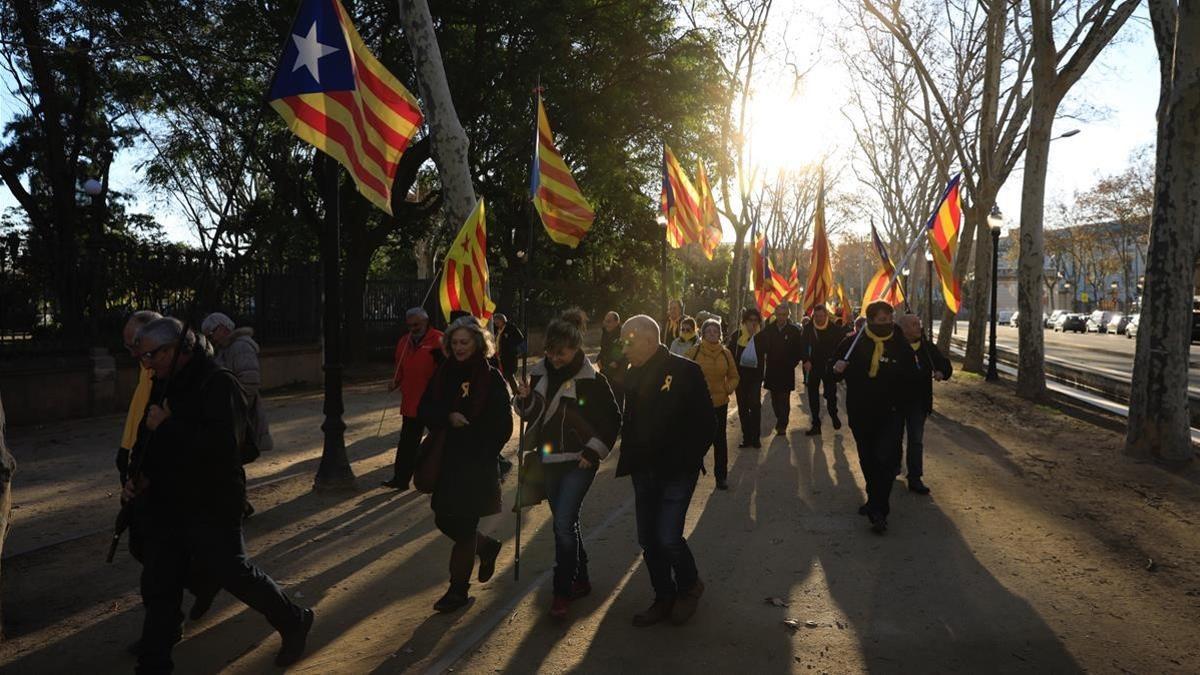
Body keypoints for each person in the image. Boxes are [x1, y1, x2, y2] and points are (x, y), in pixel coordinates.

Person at [127, 318, 313, 673]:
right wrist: (137, 474)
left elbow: (224, 450)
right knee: (160, 582)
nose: (146, 363)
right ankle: (154, 664)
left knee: (234, 572)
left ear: (177, 349)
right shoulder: (162, 383)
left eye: (151, 354)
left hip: (211, 501)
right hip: (167, 501)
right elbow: (146, 437)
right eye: (142, 356)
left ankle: (293, 620)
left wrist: (170, 424)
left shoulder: (218, 383)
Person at [514, 310, 621, 619]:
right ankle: (582, 578)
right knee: (567, 523)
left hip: (579, 462)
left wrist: (593, 451)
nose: (554, 357)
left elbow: (613, 419)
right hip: (547, 459)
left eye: (560, 352)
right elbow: (532, 417)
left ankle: (562, 592)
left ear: (575, 348)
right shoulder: (538, 373)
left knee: (562, 524)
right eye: (550, 351)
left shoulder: (594, 380)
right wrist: (524, 400)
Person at [618, 315, 714, 627]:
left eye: (627, 341)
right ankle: (664, 596)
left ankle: (689, 586)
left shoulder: (686, 370)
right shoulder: (631, 374)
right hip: (643, 470)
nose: (623, 348)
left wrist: (687, 460)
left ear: (648, 340)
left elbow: (706, 424)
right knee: (648, 539)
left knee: (668, 536)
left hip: (677, 471)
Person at [418, 317, 513, 613]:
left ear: (478, 343)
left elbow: (504, 425)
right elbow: (425, 409)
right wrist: (448, 417)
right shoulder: (443, 373)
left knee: (466, 523)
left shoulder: (491, 377)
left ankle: (458, 591)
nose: (459, 348)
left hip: (476, 462)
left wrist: (483, 448)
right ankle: (486, 546)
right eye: (455, 342)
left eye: (465, 342)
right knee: (444, 519)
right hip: (447, 459)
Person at [831, 301, 913, 534]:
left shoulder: (899, 344)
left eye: (889, 319)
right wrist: (837, 368)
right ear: (870, 321)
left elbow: (911, 376)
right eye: (880, 320)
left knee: (885, 459)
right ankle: (873, 498)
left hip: (891, 414)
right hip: (861, 411)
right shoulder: (853, 343)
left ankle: (880, 510)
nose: (886, 324)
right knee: (868, 459)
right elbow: (833, 371)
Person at [201, 312, 274, 518]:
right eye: (207, 334)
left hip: (239, 416)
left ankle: (237, 504)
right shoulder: (226, 349)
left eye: (212, 332)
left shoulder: (240, 347)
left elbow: (249, 382)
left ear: (224, 327)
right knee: (230, 462)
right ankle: (238, 503)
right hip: (234, 414)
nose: (211, 337)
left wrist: (235, 410)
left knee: (231, 462)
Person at [384, 308, 444, 490]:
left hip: (433, 402)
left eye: (416, 324)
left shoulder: (439, 340)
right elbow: (400, 367)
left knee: (439, 442)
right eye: (409, 325)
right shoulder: (404, 341)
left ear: (426, 322)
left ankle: (441, 478)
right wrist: (395, 381)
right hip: (411, 402)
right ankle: (400, 479)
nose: (412, 328)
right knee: (407, 444)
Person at [895, 313, 952, 496]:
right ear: (903, 328)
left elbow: (945, 365)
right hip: (895, 402)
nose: (918, 327)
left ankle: (915, 477)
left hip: (918, 403)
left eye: (918, 324)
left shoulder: (927, 348)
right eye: (913, 324)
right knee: (894, 438)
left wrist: (942, 372)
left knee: (916, 440)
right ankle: (893, 468)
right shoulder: (894, 347)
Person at [685, 319, 739, 489]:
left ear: (720, 334)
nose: (712, 334)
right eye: (708, 332)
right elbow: (684, 375)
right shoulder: (694, 352)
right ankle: (691, 473)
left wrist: (727, 389)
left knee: (720, 441)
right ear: (703, 334)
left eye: (715, 332)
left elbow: (734, 376)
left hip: (720, 403)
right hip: (699, 405)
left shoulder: (726, 353)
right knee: (697, 440)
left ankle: (721, 476)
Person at [118, 310, 162, 488]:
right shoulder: (146, 364)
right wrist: (125, 446)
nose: (132, 354)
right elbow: (139, 406)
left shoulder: (163, 369)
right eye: (128, 347)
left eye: (134, 346)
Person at [799, 305, 850, 436]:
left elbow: (842, 347)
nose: (819, 319)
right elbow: (803, 346)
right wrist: (805, 360)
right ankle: (816, 423)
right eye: (816, 316)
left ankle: (833, 414)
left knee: (830, 394)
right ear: (813, 316)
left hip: (829, 366)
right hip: (813, 366)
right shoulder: (808, 328)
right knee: (813, 395)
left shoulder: (834, 329)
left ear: (826, 315)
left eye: (821, 316)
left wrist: (839, 362)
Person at [757, 302, 803, 435]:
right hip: (772, 370)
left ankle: (782, 424)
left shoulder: (794, 330)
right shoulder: (769, 329)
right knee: (775, 399)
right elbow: (763, 346)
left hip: (786, 371)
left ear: (787, 315)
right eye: (779, 314)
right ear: (775, 314)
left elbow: (798, 350)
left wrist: (792, 363)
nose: (781, 317)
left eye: (784, 315)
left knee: (784, 398)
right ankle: (779, 417)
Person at [726, 308, 764, 449]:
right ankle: (746, 437)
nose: (753, 324)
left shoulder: (762, 337)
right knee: (742, 407)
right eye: (750, 321)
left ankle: (756, 437)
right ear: (744, 321)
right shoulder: (737, 336)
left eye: (755, 321)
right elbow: (729, 354)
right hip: (740, 378)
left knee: (754, 405)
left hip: (755, 378)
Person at [596, 311, 628, 408]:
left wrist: (616, 362)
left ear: (616, 322)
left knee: (617, 399)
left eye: (609, 321)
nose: (606, 324)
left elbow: (624, 353)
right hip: (605, 370)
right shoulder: (605, 332)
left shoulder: (623, 334)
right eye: (605, 321)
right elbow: (603, 349)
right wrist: (599, 359)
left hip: (618, 374)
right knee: (605, 398)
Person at [492, 313, 525, 390]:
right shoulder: (498, 330)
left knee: (509, 375)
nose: (495, 323)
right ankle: (508, 393)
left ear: (502, 320)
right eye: (495, 321)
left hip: (510, 357)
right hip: (500, 357)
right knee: (503, 376)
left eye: (497, 321)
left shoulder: (511, 328)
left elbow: (521, 340)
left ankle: (516, 393)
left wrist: (518, 352)